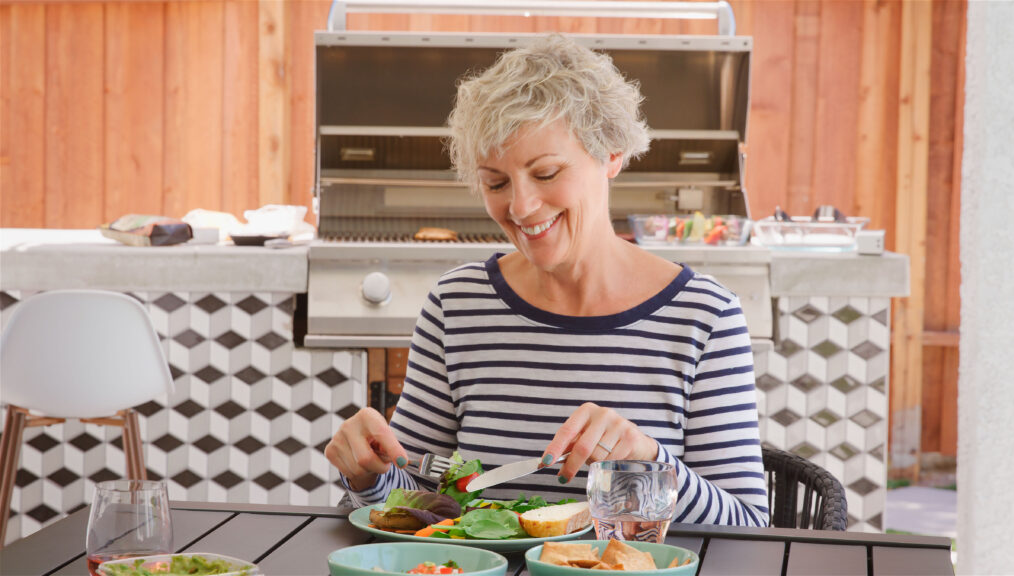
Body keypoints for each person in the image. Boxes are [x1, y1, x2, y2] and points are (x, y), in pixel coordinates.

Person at [324, 34, 769, 527]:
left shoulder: (704, 317)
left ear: (612, 154)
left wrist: (648, 465)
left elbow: (749, 529)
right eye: (496, 183)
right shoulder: (458, 304)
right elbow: (423, 501)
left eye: (547, 172)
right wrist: (369, 476)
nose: (520, 206)